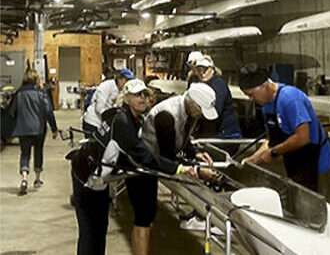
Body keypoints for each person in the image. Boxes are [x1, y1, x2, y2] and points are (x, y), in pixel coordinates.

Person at [71, 79, 204, 255]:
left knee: (100, 228)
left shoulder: (134, 119)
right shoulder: (122, 121)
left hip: (99, 178)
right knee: (90, 233)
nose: (142, 98)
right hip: (86, 175)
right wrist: (178, 168)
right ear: (126, 98)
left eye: (145, 94)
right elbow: (141, 155)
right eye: (136, 95)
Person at [135, 82, 219, 255]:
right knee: (145, 216)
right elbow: (167, 157)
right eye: (201, 111)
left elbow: (183, 136)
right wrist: (196, 171)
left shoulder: (190, 111)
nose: (202, 115)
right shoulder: (166, 115)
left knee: (149, 215)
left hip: (161, 159)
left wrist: (195, 154)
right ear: (192, 103)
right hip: (146, 163)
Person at [239, 63, 330, 191]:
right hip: (294, 162)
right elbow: (270, 140)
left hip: (316, 163)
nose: (250, 99)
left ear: (264, 86)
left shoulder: (290, 99)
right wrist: (253, 159)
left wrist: (273, 153)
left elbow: (303, 137)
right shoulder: (266, 105)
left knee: (316, 205)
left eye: (251, 94)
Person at [9, 68, 59, 194]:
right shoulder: (41, 93)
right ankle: (37, 180)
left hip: (23, 129)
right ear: (36, 79)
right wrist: (54, 129)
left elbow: (11, 112)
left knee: (25, 154)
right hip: (39, 129)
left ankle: (24, 178)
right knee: (38, 152)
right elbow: (48, 111)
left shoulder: (19, 93)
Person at [187, 52, 242, 154]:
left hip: (225, 136)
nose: (202, 73)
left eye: (205, 69)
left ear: (212, 69)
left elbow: (215, 112)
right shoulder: (197, 83)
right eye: (199, 70)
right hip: (211, 134)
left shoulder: (218, 85)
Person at [82, 68, 134, 136]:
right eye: (126, 80)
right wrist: (110, 118)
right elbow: (99, 107)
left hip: (103, 124)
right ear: (119, 78)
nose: (127, 83)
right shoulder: (107, 85)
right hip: (93, 122)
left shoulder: (122, 91)